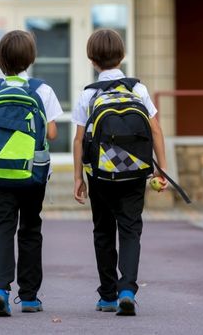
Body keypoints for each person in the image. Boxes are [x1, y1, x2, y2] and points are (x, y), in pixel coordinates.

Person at [71, 28, 168, 316]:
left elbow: (79, 140)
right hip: (136, 172)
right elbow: (155, 129)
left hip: (100, 173)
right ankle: (128, 289)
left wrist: (78, 177)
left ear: (91, 60)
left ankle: (107, 296)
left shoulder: (88, 95)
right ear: (123, 56)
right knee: (130, 229)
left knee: (103, 230)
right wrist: (160, 170)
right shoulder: (138, 89)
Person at [0, 30, 63, 317]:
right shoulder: (42, 90)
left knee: (2, 226)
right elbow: (52, 132)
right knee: (31, 228)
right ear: (31, 59)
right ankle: (30, 297)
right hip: (32, 173)